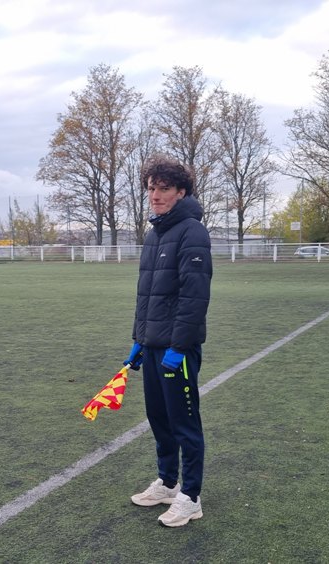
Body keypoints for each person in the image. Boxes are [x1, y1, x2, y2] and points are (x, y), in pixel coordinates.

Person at [124, 155, 212, 527]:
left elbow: (194, 297)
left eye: (164, 188)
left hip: (178, 350)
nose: (155, 195)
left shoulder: (193, 232)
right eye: (151, 188)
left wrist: (179, 347)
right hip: (154, 345)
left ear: (181, 192)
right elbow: (147, 295)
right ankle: (168, 483)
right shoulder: (154, 234)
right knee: (158, 418)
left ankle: (191, 497)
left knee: (184, 422)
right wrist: (140, 340)